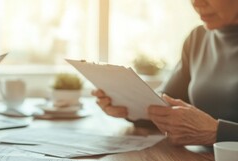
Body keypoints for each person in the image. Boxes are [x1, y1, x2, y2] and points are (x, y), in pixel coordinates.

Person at [92, 0, 238, 146]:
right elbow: (163, 104)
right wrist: (126, 103)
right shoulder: (198, 38)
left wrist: (217, 133)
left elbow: (211, 132)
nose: (197, 3)